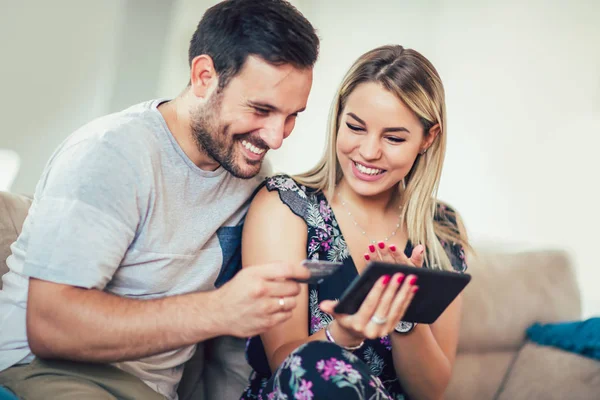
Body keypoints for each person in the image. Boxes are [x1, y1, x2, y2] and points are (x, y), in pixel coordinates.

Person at [0, 1, 319, 399]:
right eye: (261, 109)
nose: (275, 136)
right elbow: (50, 326)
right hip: (43, 369)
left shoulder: (251, 175)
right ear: (204, 76)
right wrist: (217, 310)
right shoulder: (112, 154)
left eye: (292, 116)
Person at [241, 45, 471, 400]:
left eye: (393, 138)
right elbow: (284, 365)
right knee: (317, 365)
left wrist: (405, 314)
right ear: (338, 119)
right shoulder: (286, 205)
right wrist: (342, 334)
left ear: (428, 138)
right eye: (355, 127)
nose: (368, 151)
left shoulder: (442, 229)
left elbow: (431, 392)